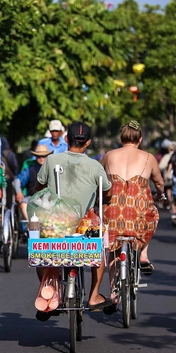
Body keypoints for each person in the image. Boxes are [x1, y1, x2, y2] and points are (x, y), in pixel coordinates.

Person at [35, 122, 113, 316]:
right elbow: (108, 191)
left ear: (66, 139)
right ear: (88, 143)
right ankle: (94, 295)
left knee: (41, 253)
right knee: (99, 248)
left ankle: (50, 293)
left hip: (55, 224)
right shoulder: (95, 166)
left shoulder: (52, 161)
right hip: (83, 226)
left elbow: (39, 187)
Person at [100, 121, 164, 308]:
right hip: (138, 211)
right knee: (152, 215)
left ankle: (113, 293)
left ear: (121, 138)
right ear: (140, 139)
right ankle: (143, 254)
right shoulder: (149, 157)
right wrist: (161, 194)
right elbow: (159, 183)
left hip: (113, 210)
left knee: (112, 250)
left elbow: (99, 179)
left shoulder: (108, 155)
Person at [13, 144, 51, 221]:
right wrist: (19, 192)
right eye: (39, 156)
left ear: (47, 157)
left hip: (49, 198)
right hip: (32, 197)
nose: (41, 158)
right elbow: (17, 181)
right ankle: (32, 226)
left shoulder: (52, 168)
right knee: (24, 203)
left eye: (44, 156)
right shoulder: (30, 169)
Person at [159, 140, 176, 209]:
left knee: (168, 189)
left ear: (169, 149)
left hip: (168, 176)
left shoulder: (167, 156)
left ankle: (171, 204)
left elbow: (161, 166)